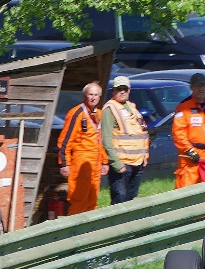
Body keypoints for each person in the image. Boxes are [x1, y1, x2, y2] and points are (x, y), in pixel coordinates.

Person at [99, 76, 150, 205]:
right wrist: (116, 164)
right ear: (113, 91)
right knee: (119, 199)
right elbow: (105, 138)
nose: (122, 92)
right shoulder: (110, 108)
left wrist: (144, 159)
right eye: (118, 89)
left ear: (129, 90)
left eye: (125, 89)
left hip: (138, 163)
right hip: (122, 164)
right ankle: (114, 225)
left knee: (131, 199)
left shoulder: (132, 107)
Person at [58, 82, 108, 215]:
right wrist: (64, 163)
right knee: (79, 200)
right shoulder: (76, 113)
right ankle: (73, 232)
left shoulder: (99, 113)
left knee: (93, 200)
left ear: (99, 97)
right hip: (80, 164)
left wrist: (104, 161)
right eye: (90, 94)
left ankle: (89, 231)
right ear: (85, 96)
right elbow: (65, 140)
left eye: (96, 95)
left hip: (95, 164)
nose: (93, 98)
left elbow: (100, 140)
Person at [171, 73, 205, 189]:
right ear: (192, 88)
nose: (201, 89)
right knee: (186, 190)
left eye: (203, 86)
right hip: (190, 158)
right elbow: (178, 132)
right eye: (198, 86)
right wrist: (189, 150)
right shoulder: (184, 107)